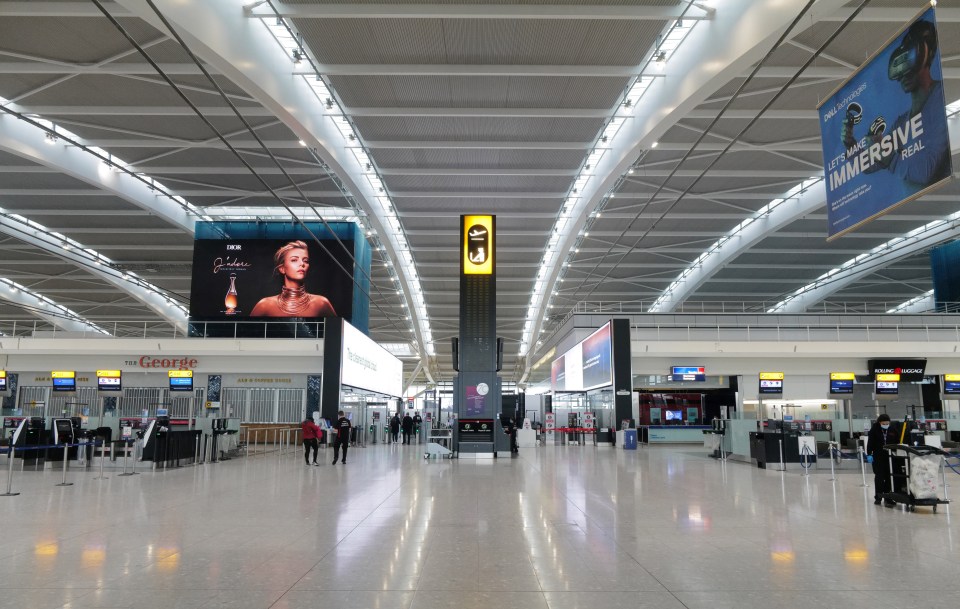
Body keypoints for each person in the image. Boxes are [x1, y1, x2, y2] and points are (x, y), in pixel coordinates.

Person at [843, 19, 950, 193]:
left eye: (912, 59)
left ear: (926, 55)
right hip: (917, 208)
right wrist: (851, 144)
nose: (904, 72)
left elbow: (926, 170)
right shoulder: (902, 124)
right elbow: (870, 165)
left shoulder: (938, 101)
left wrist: (886, 156)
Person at [250, 240, 337, 317]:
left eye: (305, 261)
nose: (302, 264)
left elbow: (337, 333)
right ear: (282, 268)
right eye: (294, 260)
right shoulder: (265, 305)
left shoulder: (321, 303)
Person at [866, 413, 897, 506]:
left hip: (889, 457)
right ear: (880, 423)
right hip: (878, 456)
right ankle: (878, 497)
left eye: (887, 423)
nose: (886, 425)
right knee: (879, 477)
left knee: (889, 477)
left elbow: (897, 441)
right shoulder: (874, 430)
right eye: (884, 423)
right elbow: (870, 442)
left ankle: (888, 497)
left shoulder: (892, 430)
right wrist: (869, 454)